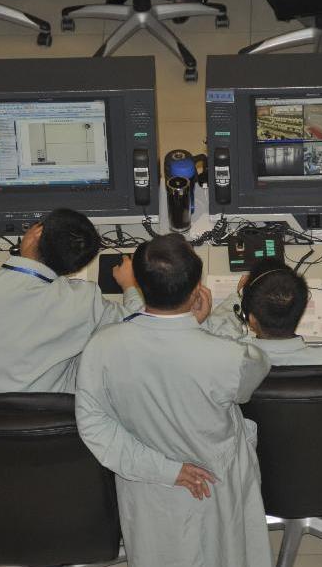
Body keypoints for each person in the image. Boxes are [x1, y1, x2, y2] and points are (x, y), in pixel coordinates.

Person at [75, 233, 271, 567]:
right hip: (217, 482)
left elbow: (94, 425)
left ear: (139, 285)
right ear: (197, 291)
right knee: (224, 552)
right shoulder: (230, 357)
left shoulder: (102, 347)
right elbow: (251, 375)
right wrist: (200, 328)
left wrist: (167, 471)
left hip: (149, 485)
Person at [0, 208, 143, 395]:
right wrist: (130, 285)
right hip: (53, 418)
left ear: (36, 233)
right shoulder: (84, 300)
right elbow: (139, 324)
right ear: (74, 268)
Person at [205, 259, 322, 411]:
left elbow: (215, 330)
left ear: (252, 320)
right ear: (302, 309)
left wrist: (239, 296)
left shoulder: (225, 360)